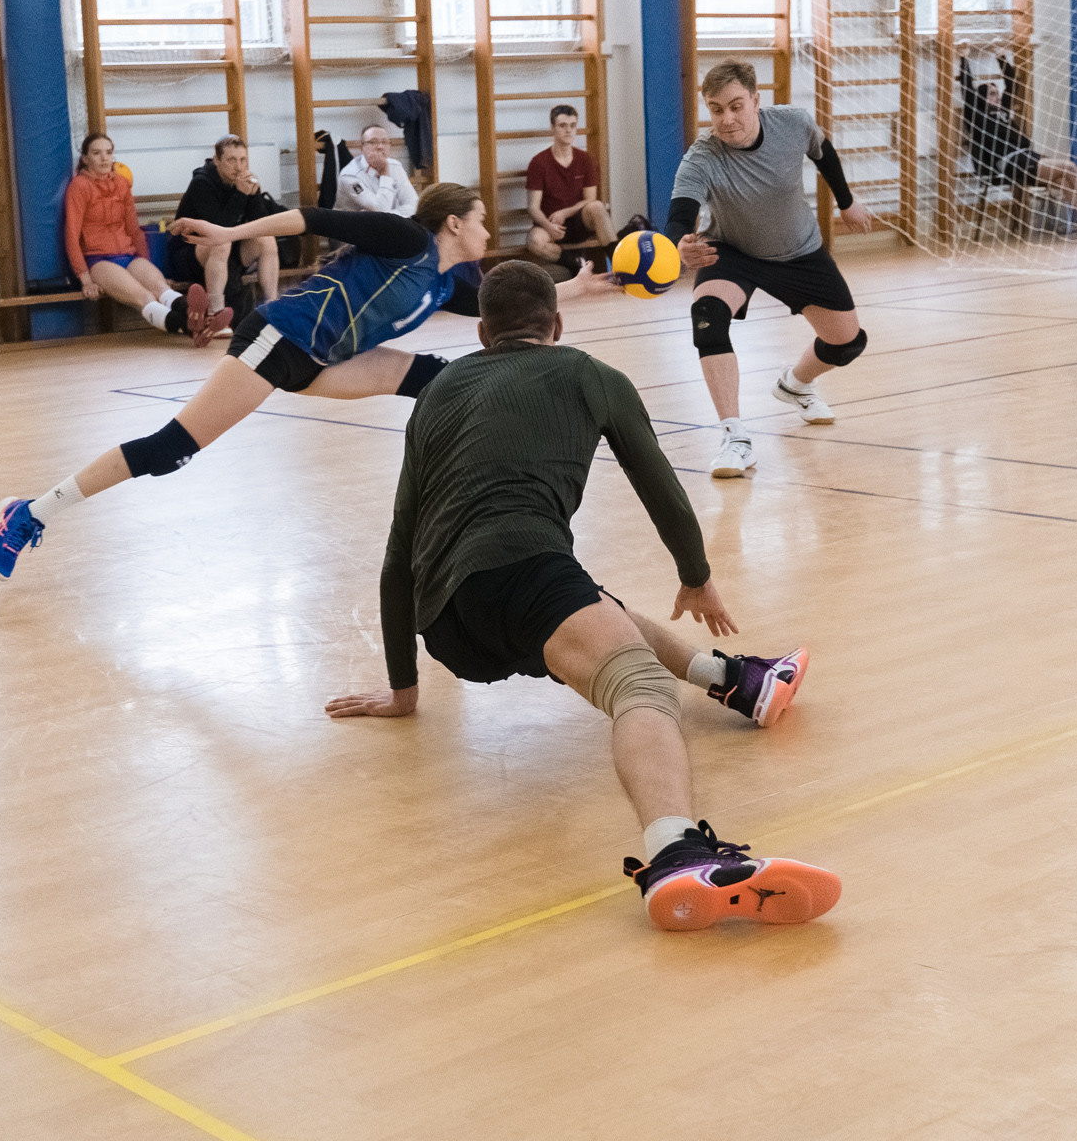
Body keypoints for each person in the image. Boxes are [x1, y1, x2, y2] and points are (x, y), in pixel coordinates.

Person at [327, 261, 835, 931]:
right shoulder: (588, 374)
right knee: (641, 689)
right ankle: (676, 854)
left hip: (447, 623)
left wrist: (403, 686)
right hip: (523, 575)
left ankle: (737, 681)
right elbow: (659, 484)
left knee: (592, 607)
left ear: (482, 333)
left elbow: (398, 554)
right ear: (557, 324)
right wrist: (695, 574)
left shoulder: (441, 388)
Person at [0, 182, 614, 577]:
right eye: (479, 219)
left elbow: (513, 310)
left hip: (324, 361)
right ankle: (30, 512)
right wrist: (233, 234)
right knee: (172, 448)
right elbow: (310, 217)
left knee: (440, 380)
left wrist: (577, 289)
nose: (486, 230)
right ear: (453, 223)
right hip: (281, 338)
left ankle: (463, 511)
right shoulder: (404, 239)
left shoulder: (451, 283)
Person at [665, 62, 877, 478]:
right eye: (716, 109)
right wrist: (679, 245)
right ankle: (734, 436)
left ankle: (795, 384)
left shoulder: (793, 123)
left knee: (846, 343)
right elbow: (680, 213)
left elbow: (824, 152)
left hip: (798, 251)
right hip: (732, 251)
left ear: (756, 101)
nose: (727, 119)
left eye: (736, 106)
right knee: (707, 314)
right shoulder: (702, 156)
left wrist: (846, 201)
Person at [66, 132, 228, 346]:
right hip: (100, 260)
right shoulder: (79, 186)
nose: (105, 158)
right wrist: (85, 277)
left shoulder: (122, 184)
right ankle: (190, 327)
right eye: (97, 153)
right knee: (145, 297)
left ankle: (201, 319)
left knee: (162, 288)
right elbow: (71, 233)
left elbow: (134, 230)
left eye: (109, 152)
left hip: (129, 255)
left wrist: (148, 265)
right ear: (86, 159)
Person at [956, 60, 1077, 242]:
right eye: (992, 94)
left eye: (997, 94)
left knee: (1063, 180)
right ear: (982, 99)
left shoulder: (1003, 114)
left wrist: (1000, 55)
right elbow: (967, 91)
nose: (997, 98)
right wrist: (964, 58)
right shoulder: (978, 117)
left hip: (1026, 158)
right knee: (1068, 166)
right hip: (1010, 164)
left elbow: (1012, 82)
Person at [165, 135, 284, 314]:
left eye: (243, 160)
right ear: (216, 161)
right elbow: (217, 229)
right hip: (189, 254)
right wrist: (240, 195)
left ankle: (271, 306)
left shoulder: (244, 183)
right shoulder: (201, 183)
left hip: (225, 254)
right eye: (231, 160)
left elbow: (259, 224)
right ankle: (216, 312)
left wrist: (254, 195)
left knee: (266, 239)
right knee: (221, 242)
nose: (239, 167)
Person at [523, 104, 616, 259]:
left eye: (572, 125)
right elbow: (533, 207)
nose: (568, 130)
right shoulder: (539, 162)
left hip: (580, 221)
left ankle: (618, 262)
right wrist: (549, 226)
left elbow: (590, 199)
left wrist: (565, 212)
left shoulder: (585, 159)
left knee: (597, 206)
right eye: (562, 125)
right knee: (534, 240)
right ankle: (575, 264)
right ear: (552, 128)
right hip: (551, 224)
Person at [337, 124, 419, 215]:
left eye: (384, 142)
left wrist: (392, 215)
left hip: (390, 224)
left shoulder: (395, 166)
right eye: (372, 142)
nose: (380, 146)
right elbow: (380, 210)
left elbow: (413, 204)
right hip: (355, 227)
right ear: (362, 147)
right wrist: (384, 173)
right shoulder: (350, 176)